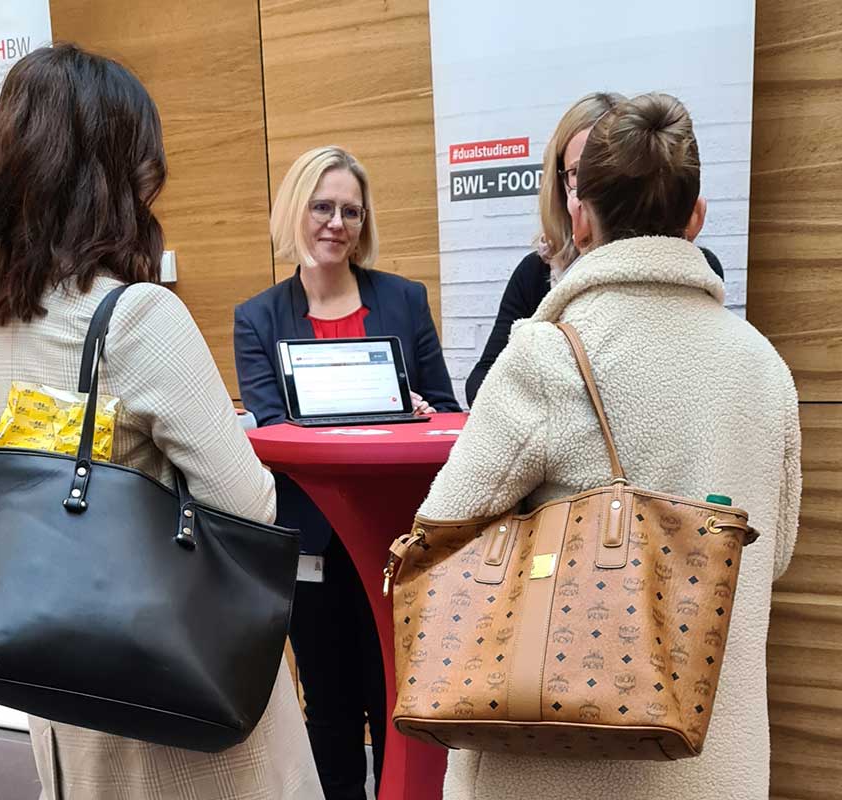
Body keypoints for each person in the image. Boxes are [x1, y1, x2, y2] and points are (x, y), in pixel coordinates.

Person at [0, 44, 323, 800]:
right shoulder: (137, 318)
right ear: (112, 174)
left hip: (63, 699)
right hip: (178, 700)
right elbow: (247, 506)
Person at [418, 93, 801, 800]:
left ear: (582, 216)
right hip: (716, 764)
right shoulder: (765, 368)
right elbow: (770, 555)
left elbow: (437, 536)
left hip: (560, 769)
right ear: (695, 219)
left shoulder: (549, 356)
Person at [234, 145, 460, 799]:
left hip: (400, 543)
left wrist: (416, 413)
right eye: (323, 207)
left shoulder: (404, 301)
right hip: (313, 544)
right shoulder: (260, 318)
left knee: (397, 701)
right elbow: (274, 432)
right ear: (296, 212)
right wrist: (377, 414)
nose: (337, 223)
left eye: (351, 211)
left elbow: (447, 414)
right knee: (329, 711)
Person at [464, 92, 725, 406]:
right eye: (578, 174)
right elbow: (482, 383)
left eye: (605, 173)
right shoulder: (536, 273)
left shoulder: (697, 272)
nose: (594, 190)